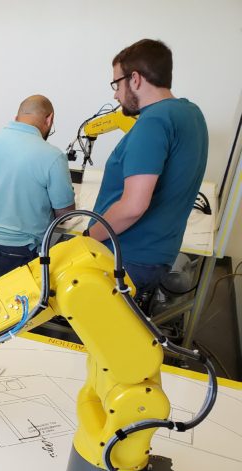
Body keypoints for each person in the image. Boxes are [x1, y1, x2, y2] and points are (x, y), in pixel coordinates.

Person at [87, 39, 208, 297]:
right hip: (156, 253)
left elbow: (133, 206)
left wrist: (89, 236)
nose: (115, 95)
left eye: (116, 84)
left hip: (126, 256)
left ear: (135, 79)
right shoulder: (191, 113)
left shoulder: (153, 122)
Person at [0, 95, 75, 298]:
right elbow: (65, 213)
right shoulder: (53, 156)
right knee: (9, 316)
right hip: (18, 249)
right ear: (49, 119)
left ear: (17, 117)